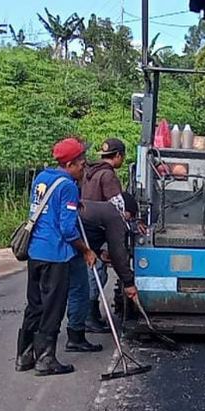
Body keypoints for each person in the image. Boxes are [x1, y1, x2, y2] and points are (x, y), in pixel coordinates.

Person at [16, 138, 96, 377]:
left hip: (35, 253)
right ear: (70, 163)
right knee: (53, 308)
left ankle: (24, 355)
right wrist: (86, 250)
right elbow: (68, 230)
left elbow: (47, 207)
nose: (84, 166)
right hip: (56, 255)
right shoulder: (69, 185)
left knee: (35, 305)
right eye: (81, 162)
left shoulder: (42, 177)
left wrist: (74, 203)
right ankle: (45, 359)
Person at [64, 200, 140, 352]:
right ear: (126, 210)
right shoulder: (115, 216)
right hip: (70, 248)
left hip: (70, 245)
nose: (129, 220)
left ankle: (75, 334)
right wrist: (129, 283)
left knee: (75, 291)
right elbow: (118, 253)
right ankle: (75, 337)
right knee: (80, 291)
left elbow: (89, 232)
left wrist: (99, 252)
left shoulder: (103, 209)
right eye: (130, 216)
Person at [79, 138, 128, 333]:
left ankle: (88, 315)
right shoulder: (108, 176)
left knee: (90, 273)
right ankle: (89, 317)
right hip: (99, 231)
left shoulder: (89, 173)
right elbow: (118, 207)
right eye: (122, 157)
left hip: (84, 229)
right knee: (96, 272)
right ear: (117, 156)